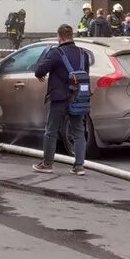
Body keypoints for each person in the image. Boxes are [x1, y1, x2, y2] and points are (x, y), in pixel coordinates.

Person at [31, 25, 94, 176]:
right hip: (78, 98)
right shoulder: (83, 54)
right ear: (72, 36)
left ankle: (47, 164)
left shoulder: (56, 53)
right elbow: (84, 74)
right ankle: (79, 166)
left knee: (51, 131)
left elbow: (39, 71)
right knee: (78, 131)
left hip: (59, 98)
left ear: (59, 37)